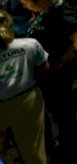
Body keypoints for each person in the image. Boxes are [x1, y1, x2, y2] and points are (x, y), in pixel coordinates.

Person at [19, 0, 77, 160]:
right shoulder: (49, 11)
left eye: (26, 3)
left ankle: (74, 151)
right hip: (50, 75)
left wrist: (59, 63)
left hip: (58, 79)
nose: (24, 7)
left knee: (65, 117)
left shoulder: (60, 13)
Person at [0, 9, 49, 164]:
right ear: (9, 23)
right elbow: (44, 68)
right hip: (29, 99)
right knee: (34, 151)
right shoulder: (30, 44)